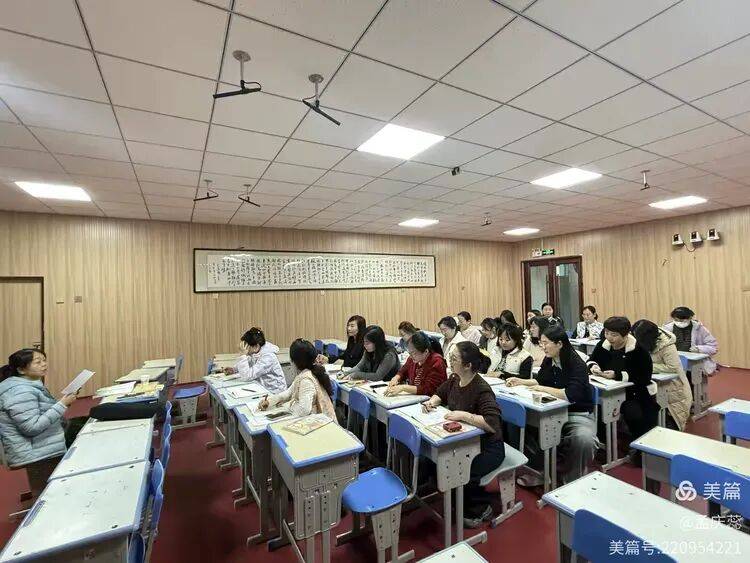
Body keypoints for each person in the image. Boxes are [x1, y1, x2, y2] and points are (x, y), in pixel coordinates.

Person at [421, 341, 503, 528]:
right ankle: (458, 499)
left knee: (463, 470)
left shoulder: (481, 388)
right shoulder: (454, 379)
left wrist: (464, 415)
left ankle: (480, 508)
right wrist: (431, 402)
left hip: (488, 447)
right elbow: (439, 393)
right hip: (464, 442)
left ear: (468, 365)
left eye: (454, 359)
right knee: (438, 463)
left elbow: (492, 423)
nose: (449, 361)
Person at [507, 326, 597, 485]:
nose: (542, 347)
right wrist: (521, 381)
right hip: (551, 412)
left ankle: (571, 480)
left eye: (545, 343)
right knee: (518, 426)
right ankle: (542, 471)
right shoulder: (549, 359)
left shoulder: (577, 364)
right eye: (541, 343)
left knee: (583, 439)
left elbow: (570, 394)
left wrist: (542, 389)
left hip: (576, 414)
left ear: (559, 344)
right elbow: (540, 380)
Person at [0, 349, 77, 498]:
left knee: (49, 490)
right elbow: (32, 427)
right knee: (48, 494)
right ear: (21, 370)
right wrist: (62, 404)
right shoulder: (20, 391)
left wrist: (63, 404)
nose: (44, 364)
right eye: (38, 362)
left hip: (40, 445)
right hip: (36, 451)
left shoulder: (27, 385)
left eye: (44, 360)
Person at [587, 317, 657, 465]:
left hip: (634, 393)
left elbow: (644, 377)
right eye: (607, 333)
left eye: (614, 335)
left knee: (634, 413)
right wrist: (593, 367)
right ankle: (604, 446)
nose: (609, 338)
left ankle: (639, 449)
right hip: (606, 391)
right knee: (595, 411)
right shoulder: (603, 345)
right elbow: (591, 360)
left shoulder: (638, 350)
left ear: (625, 335)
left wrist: (618, 375)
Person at [632, 320, 692, 431]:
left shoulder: (667, 345)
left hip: (673, 387)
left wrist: (646, 366)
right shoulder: (637, 341)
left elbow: (672, 368)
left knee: (671, 425)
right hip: (651, 383)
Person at [258, 339, 336, 420]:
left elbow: (304, 410)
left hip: (315, 421)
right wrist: (269, 401)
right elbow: (289, 393)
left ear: (294, 361)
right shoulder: (305, 373)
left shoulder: (306, 380)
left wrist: (287, 408)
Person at [223, 327, 287, 394]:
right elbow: (249, 363)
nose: (245, 348)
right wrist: (234, 369)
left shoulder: (268, 357)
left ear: (256, 346)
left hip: (275, 393)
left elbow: (247, 376)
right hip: (263, 389)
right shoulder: (256, 352)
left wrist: (242, 355)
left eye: (246, 346)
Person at [386, 331, 447, 397]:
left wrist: (403, 388)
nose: (411, 356)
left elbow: (429, 389)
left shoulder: (437, 361)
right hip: (416, 397)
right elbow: (403, 371)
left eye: (414, 353)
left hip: (431, 399)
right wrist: (396, 378)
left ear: (426, 351)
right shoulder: (412, 359)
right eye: (409, 353)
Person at [663, 307, 718, 375]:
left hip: (694, 364)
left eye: (683, 320)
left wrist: (699, 349)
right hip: (673, 362)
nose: (679, 322)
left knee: (694, 379)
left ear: (690, 318)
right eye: (676, 320)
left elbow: (713, 347)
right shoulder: (666, 329)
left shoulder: (699, 328)